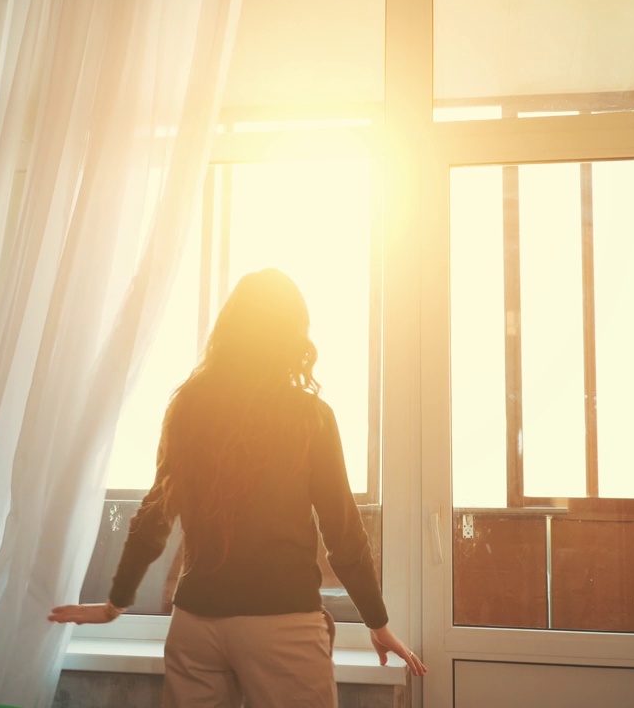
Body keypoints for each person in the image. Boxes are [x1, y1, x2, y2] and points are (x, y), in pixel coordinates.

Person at [49, 268, 425, 707]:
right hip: (282, 625)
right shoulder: (310, 418)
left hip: (195, 626)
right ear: (293, 337)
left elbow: (154, 515)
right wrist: (377, 623)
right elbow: (343, 534)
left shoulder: (189, 409)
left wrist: (116, 603)